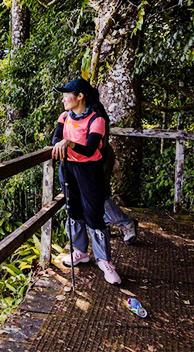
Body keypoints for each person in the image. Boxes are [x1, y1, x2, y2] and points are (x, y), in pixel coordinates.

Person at [51, 78, 121, 285]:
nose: (63, 99)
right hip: (68, 168)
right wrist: (64, 143)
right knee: (73, 210)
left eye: (66, 95)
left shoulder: (96, 120)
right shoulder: (64, 117)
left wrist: (70, 142)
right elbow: (55, 139)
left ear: (80, 96)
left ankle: (104, 260)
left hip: (89, 170)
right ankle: (80, 251)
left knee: (94, 213)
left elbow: (90, 148)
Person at [90, 101, 139, 245]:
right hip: (97, 154)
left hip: (101, 154)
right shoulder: (87, 112)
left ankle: (126, 223)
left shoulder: (94, 112)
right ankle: (106, 222)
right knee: (96, 193)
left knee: (99, 193)